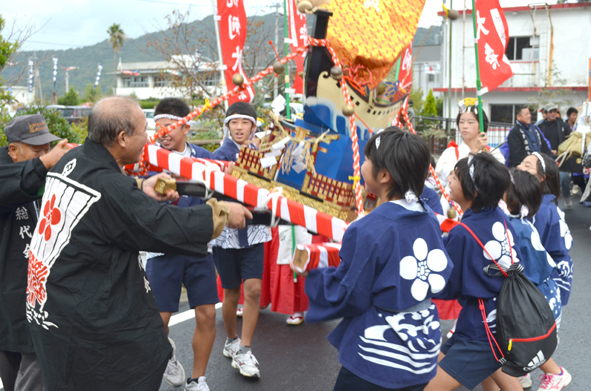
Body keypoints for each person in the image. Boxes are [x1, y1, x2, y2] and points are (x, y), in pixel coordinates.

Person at [25, 96, 252, 391]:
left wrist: (139, 186)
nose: (151, 138)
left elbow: (111, 196)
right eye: (145, 130)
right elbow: (162, 224)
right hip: (83, 322)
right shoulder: (109, 187)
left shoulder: (74, 158)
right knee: (134, 361)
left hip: (49, 307)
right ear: (122, 138)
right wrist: (219, 213)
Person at [303, 129, 453, 390]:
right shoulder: (427, 215)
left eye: (367, 159)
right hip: (422, 344)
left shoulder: (369, 228)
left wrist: (314, 276)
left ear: (384, 175)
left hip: (379, 353)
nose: (362, 164)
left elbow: (350, 292)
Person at [425, 153, 522, 391]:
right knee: (491, 371)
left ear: (473, 191)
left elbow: (446, 284)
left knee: (428, 386)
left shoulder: (463, 232)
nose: (448, 178)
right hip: (502, 316)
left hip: (480, 330)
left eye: (455, 176)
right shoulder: (499, 217)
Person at [144, 98, 216, 391]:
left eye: (170, 127)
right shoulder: (147, 159)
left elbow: (217, 196)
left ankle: (198, 378)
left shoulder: (205, 157)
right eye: (158, 126)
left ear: (187, 126)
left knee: (208, 314)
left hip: (199, 248)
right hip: (163, 247)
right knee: (158, 320)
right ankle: (167, 356)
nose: (163, 132)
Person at [0, 114, 70, 391]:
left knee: (44, 366)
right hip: (9, 295)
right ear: (13, 150)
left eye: (47, 149)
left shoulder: (46, 173)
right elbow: (16, 183)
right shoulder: (7, 172)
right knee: (13, 368)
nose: (46, 155)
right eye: (37, 151)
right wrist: (44, 163)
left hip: (45, 294)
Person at [211, 102, 271, 379]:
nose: (238, 127)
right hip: (226, 232)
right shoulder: (217, 156)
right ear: (227, 126)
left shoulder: (265, 156)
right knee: (231, 291)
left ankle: (246, 348)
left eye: (244, 122)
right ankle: (232, 340)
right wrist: (223, 180)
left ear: (253, 126)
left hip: (255, 230)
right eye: (233, 122)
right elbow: (209, 195)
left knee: (254, 290)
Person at [497, 168, 571, 390]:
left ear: (511, 198)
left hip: (537, 302)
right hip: (545, 295)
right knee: (523, 344)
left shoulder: (513, 227)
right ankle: (521, 375)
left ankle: (556, 373)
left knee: (527, 342)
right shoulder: (521, 221)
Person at [518, 153, 574, 308]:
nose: (519, 167)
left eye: (527, 166)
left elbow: (531, 253)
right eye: (521, 163)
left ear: (541, 177)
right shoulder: (542, 205)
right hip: (554, 270)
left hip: (547, 274)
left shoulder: (539, 210)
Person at [434, 99, 504, 214]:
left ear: (481, 126)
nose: (464, 126)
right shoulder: (451, 152)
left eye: (470, 122)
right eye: (461, 122)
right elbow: (444, 177)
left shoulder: (494, 154)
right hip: (452, 209)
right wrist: (474, 151)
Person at [537, 104, 573, 207]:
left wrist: (563, 150)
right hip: (547, 157)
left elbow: (570, 139)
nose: (553, 113)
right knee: (549, 180)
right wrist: (548, 150)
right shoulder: (540, 126)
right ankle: (554, 201)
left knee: (564, 177)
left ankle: (566, 195)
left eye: (554, 111)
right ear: (546, 113)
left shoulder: (563, 125)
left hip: (562, 157)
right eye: (550, 111)